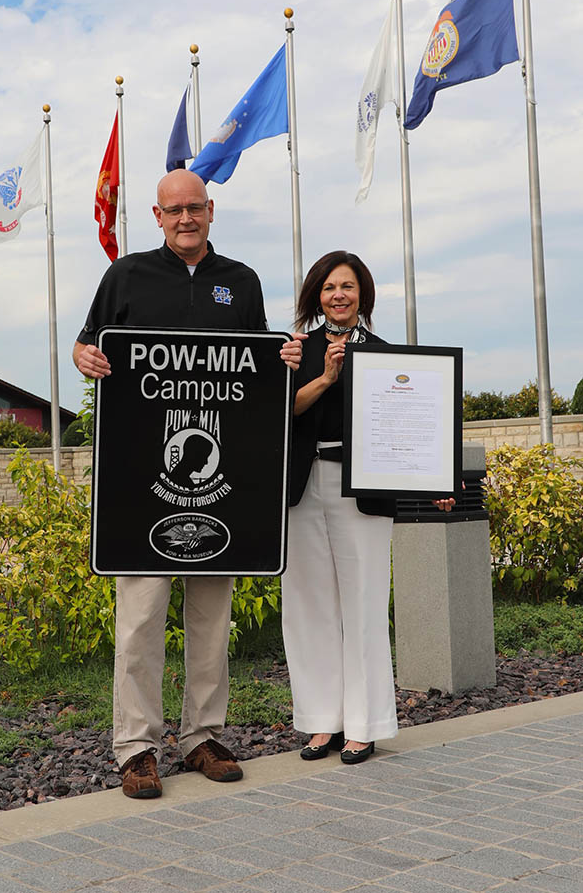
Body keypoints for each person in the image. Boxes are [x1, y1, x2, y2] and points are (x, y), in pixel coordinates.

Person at [74, 168, 302, 799]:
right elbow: (87, 346)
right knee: (141, 618)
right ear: (155, 215)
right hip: (141, 480)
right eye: (173, 211)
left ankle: (201, 735)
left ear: (210, 210)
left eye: (194, 209)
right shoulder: (125, 276)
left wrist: (282, 357)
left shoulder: (242, 282)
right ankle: (137, 748)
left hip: (220, 480)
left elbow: (258, 371)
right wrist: (82, 356)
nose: (185, 219)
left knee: (212, 615)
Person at [281, 251, 454, 765]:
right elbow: (284, 410)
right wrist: (326, 377)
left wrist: (432, 481)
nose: (339, 295)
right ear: (317, 295)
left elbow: (407, 428)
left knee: (363, 606)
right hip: (302, 487)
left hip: (363, 493)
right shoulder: (295, 352)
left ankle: (364, 724)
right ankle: (321, 723)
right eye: (330, 287)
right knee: (308, 607)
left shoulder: (385, 356)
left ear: (363, 296)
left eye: (349, 287)